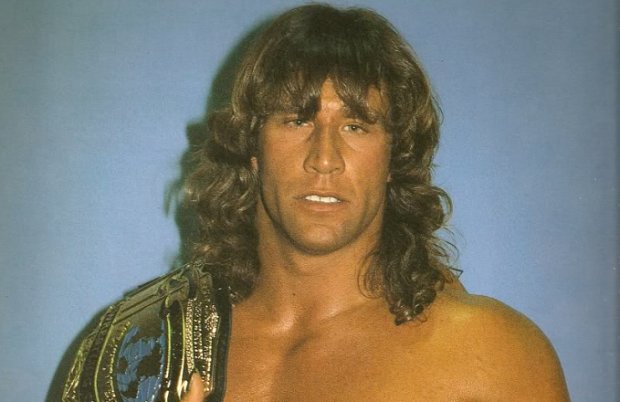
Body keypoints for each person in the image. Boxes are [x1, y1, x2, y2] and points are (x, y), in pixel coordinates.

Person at [63, 4, 570, 401]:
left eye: (356, 126)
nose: (324, 159)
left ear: (394, 157)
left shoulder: (490, 357)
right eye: (297, 120)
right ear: (252, 148)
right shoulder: (137, 347)